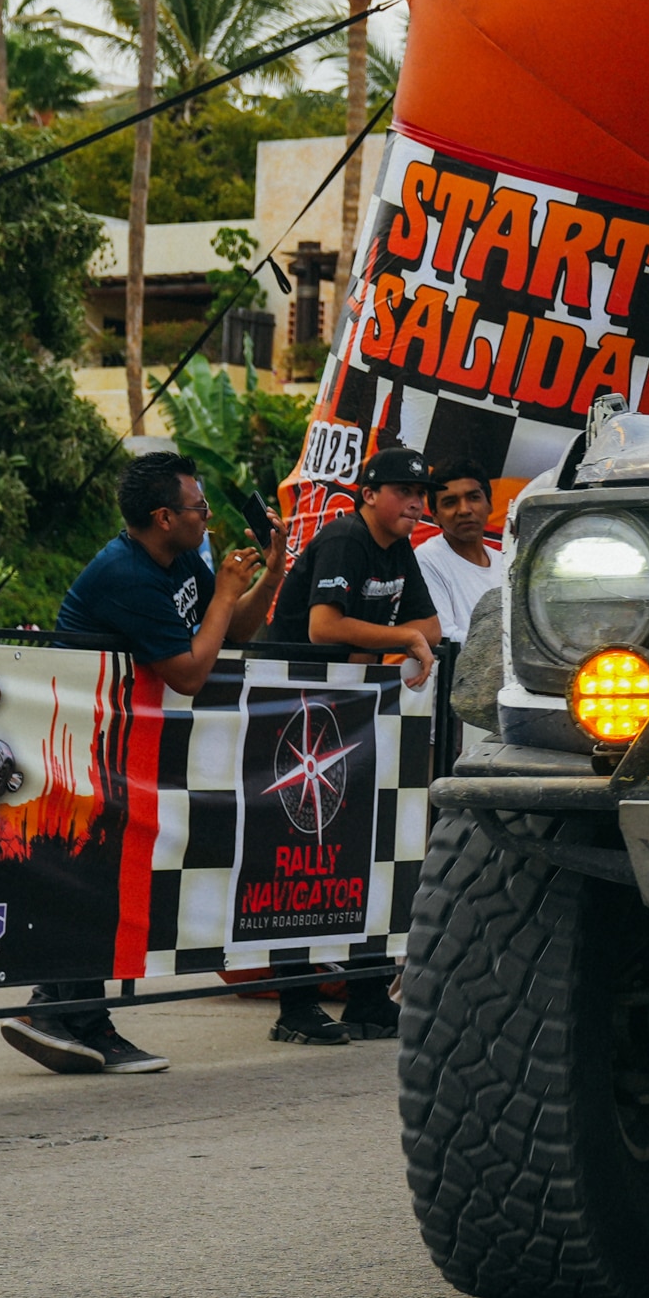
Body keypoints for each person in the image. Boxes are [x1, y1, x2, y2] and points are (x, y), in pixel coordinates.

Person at [6, 452, 287, 1076]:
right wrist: (223, 593)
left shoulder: (177, 554)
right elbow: (189, 672)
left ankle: (68, 1013)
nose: (208, 517)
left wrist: (269, 576)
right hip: (81, 738)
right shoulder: (126, 574)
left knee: (109, 875)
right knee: (94, 871)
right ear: (164, 518)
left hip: (126, 740)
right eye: (198, 507)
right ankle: (58, 1009)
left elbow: (228, 637)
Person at [262, 446, 442, 1043]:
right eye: (401, 491)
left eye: (421, 493)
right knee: (297, 856)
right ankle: (295, 1006)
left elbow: (430, 628)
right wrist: (400, 641)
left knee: (361, 853)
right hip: (288, 709)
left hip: (347, 715)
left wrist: (391, 644)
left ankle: (367, 997)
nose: (416, 502)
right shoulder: (345, 538)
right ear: (368, 493)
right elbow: (323, 627)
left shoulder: (399, 549)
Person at [414, 460, 502, 644]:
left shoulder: (505, 563)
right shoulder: (426, 559)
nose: (464, 510)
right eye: (450, 502)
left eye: (473, 497)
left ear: (489, 505)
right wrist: (509, 647)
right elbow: (443, 636)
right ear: (435, 515)